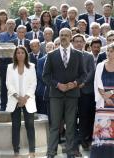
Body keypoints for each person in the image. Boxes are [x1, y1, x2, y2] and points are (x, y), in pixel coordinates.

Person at [43, 28, 86, 158]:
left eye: (66, 35)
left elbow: (83, 75)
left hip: (72, 95)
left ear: (70, 37)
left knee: (71, 125)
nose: (63, 37)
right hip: (56, 95)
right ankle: (51, 152)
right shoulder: (51, 55)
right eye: (61, 35)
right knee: (55, 125)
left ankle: (70, 152)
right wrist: (57, 85)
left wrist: (74, 84)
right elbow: (45, 76)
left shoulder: (78, 54)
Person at [6, 45, 37, 158]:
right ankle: (16, 151)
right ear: (15, 55)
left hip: (28, 100)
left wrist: (25, 98)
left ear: (25, 54)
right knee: (16, 125)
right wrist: (18, 97)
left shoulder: (31, 66)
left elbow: (33, 83)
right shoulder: (10, 67)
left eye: (22, 53)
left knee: (30, 125)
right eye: (18, 53)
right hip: (15, 99)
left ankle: (32, 151)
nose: (20, 55)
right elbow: (8, 84)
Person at [71, 34, 95, 153]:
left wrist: (83, 82)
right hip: (72, 92)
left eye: (81, 41)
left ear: (84, 43)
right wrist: (75, 83)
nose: (79, 43)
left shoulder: (89, 56)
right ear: (73, 43)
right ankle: (75, 145)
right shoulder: (69, 55)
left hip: (86, 92)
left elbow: (91, 71)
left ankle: (83, 141)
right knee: (72, 118)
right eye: (76, 41)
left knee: (85, 118)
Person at [90, 42, 114, 158]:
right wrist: (104, 97)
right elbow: (97, 83)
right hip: (103, 103)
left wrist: (112, 93)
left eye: (112, 51)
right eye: (108, 51)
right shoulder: (100, 65)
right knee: (102, 130)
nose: (109, 53)